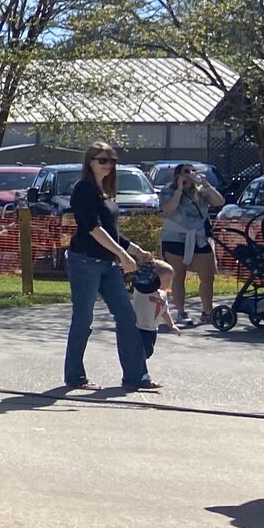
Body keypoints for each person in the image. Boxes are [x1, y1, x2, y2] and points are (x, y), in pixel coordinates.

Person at [63, 142, 157, 392]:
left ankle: (137, 376)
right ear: (90, 161)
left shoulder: (104, 191)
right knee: (83, 319)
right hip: (84, 262)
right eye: (103, 159)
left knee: (127, 316)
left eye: (112, 160)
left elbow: (112, 233)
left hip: (107, 262)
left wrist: (136, 251)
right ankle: (75, 376)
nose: (108, 165)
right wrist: (124, 256)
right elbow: (93, 228)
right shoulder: (83, 189)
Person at [159, 162, 224, 324]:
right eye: (186, 171)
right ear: (178, 175)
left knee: (207, 276)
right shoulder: (168, 191)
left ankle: (207, 312)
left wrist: (206, 185)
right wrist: (180, 189)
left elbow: (219, 202)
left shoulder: (200, 192)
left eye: (193, 170)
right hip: (175, 238)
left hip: (199, 238)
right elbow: (169, 208)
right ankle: (181, 312)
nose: (190, 173)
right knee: (179, 275)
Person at [132, 258, 179, 363]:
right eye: (167, 280)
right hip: (138, 327)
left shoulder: (163, 295)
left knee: (148, 351)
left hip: (152, 329)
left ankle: (139, 368)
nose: (169, 283)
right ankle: (139, 371)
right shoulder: (142, 291)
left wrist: (171, 325)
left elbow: (164, 311)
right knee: (139, 353)